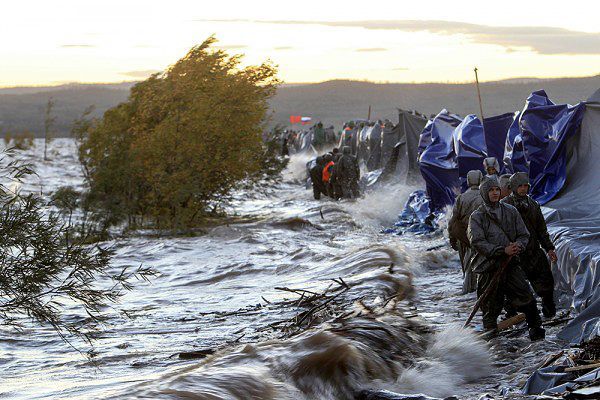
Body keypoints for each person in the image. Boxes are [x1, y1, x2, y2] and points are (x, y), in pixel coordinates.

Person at [467, 176, 545, 341]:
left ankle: (537, 332)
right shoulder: (477, 216)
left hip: (510, 266)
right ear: (484, 193)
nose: (495, 193)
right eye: (491, 190)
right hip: (489, 268)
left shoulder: (511, 211)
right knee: (490, 307)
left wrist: (519, 246)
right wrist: (502, 250)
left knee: (527, 298)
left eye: (497, 189)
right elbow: (478, 242)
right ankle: (492, 344)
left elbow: (524, 234)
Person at [501, 172, 557, 318]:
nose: (523, 189)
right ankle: (512, 315)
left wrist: (549, 248)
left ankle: (548, 312)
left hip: (533, 251)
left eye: (525, 185)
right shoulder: (504, 206)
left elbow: (541, 230)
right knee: (514, 288)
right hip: (515, 254)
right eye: (520, 186)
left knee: (546, 284)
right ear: (513, 187)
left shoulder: (533, 205)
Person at [448, 170, 484, 294]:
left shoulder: (461, 198)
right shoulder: (485, 195)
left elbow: (453, 220)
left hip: (464, 238)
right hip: (483, 237)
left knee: (467, 266)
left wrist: (452, 238)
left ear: (468, 181)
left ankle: (468, 292)